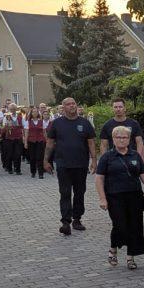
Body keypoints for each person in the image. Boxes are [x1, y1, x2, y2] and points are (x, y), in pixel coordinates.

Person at [96, 125, 144, 270]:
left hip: (134, 196)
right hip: (114, 196)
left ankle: (130, 257)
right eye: (118, 137)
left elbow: (143, 175)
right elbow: (99, 178)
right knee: (120, 225)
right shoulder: (107, 157)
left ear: (129, 139)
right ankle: (113, 248)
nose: (121, 140)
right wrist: (102, 198)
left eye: (124, 137)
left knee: (135, 226)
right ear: (113, 139)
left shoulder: (135, 155)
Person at [45, 97, 96, 236]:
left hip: (81, 164)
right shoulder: (56, 123)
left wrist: (94, 160)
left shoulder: (85, 123)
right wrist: (46, 160)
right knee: (65, 192)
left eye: (74, 103)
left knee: (80, 192)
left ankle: (77, 219)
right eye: (68, 104)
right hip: (63, 164)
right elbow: (50, 143)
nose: (72, 106)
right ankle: (65, 222)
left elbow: (91, 143)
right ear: (63, 107)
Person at [23, 104, 50, 179]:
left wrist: (47, 141)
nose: (35, 113)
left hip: (40, 141)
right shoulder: (28, 122)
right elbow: (26, 133)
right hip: (31, 141)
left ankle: (41, 173)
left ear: (38, 113)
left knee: (40, 157)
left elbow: (44, 132)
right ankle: (33, 172)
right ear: (31, 113)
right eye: (33, 112)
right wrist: (25, 142)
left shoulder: (42, 122)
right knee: (32, 157)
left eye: (36, 112)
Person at [0, 110, 24, 174]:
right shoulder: (6, 117)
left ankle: (18, 169)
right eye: (11, 109)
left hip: (18, 137)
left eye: (14, 109)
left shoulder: (20, 117)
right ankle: (9, 168)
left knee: (18, 154)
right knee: (9, 154)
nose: (13, 110)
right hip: (9, 138)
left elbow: (24, 127)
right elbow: (3, 128)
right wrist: (6, 127)